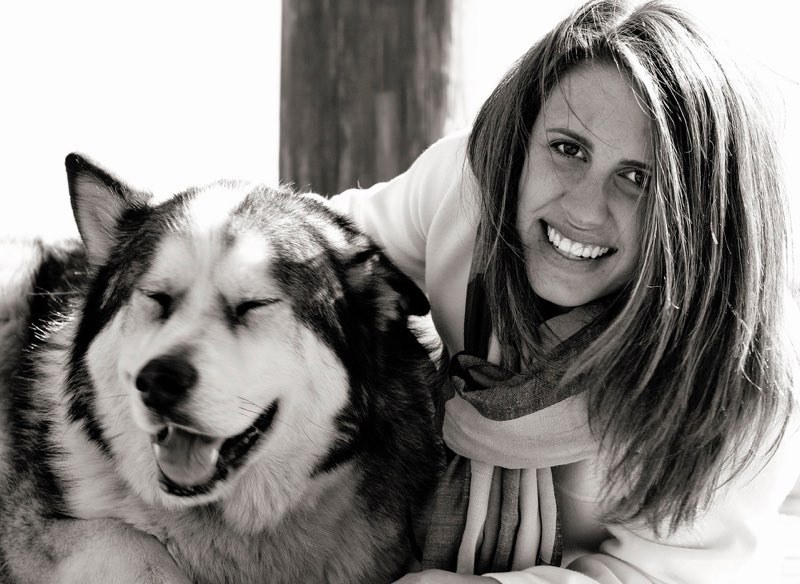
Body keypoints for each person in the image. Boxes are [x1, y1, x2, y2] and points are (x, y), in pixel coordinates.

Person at [328, 0, 800, 582]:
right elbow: (314, 252)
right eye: (567, 148)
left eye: (638, 178)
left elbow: (660, 577)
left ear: (700, 219)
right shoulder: (466, 193)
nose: (582, 209)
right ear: (520, 141)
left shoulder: (733, 379)